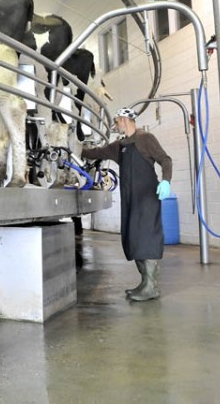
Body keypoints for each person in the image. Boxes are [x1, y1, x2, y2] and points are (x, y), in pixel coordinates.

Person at [81, 107, 172, 301]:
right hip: (130, 198)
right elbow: (97, 153)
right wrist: (76, 149)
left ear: (124, 119)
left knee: (148, 237)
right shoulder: (121, 145)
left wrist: (166, 181)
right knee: (133, 237)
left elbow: (165, 160)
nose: (115, 126)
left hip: (148, 196)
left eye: (116, 122)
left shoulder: (145, 138)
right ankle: (145, 282)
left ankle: (152, 286)